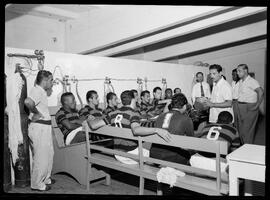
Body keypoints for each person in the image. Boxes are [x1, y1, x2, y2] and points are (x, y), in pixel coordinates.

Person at [88, 90, 171, 159]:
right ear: (133, 100)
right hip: (129, 154)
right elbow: (136, 130)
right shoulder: (133, 113)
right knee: (152, 150)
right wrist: (156, 130)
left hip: (116, 153)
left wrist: (89, 120)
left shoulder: (112, 113)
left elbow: (93, 125)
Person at [24, 70, 54, 191]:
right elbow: (27, 102)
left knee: (49, 154)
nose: (52, 83)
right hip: (39, 128)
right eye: (51, 80)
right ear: (45, 80)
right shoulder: (37, 90)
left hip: (44, 128)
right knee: (41, 157)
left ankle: (46, 178)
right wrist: (36, 113)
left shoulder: (41, 91)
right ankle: (37, 184)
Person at [150, 93, 194, 164]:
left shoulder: (160, 116)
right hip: (171, 158)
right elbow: (192, 141)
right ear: (184, 106)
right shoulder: (186, 119)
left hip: (154, 155)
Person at [235, 64, 264, 144]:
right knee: (241, 130)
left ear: (245, 71)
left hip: (249, 107)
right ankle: (243, 147)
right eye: (237, 71)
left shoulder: (252, 81)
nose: (237, 73)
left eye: (239, 71)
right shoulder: (240, 81)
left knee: (247, 131)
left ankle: (247, 149)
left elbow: (261, 92)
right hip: (241, 106)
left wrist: (257, 105)